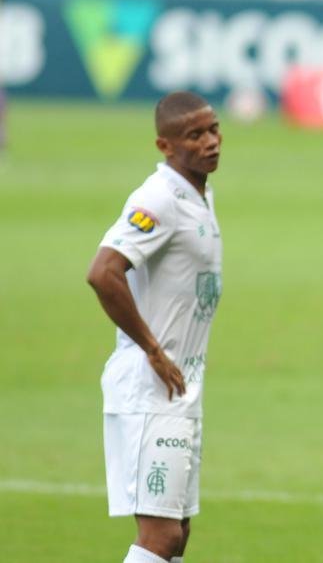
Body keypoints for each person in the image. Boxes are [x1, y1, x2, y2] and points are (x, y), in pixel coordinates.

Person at [86, 91, 224, 563]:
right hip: (149, 391)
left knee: (178, 532)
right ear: (165, 146)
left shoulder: (198, 195)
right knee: (160, 536)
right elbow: (103, 272)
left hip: (180, 388)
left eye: (213, 129)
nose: (211, 142)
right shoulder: (159, 199)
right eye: (194, 135)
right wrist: (152, 349)